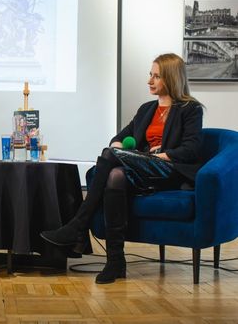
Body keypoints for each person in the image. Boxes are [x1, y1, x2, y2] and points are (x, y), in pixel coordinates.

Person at [41, 53, 204, 284]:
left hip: (168, 170)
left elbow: (192, 149)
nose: (149, 81)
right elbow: (118, 139)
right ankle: (115, 261)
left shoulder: (190, 109)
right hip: (142, 169)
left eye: (156, 76)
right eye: (150, 75)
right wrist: (120, 148)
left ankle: (77, 226)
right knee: (115, 175)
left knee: (110, 157)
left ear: (171, 78)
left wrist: (158, 155)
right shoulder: (146, 109)